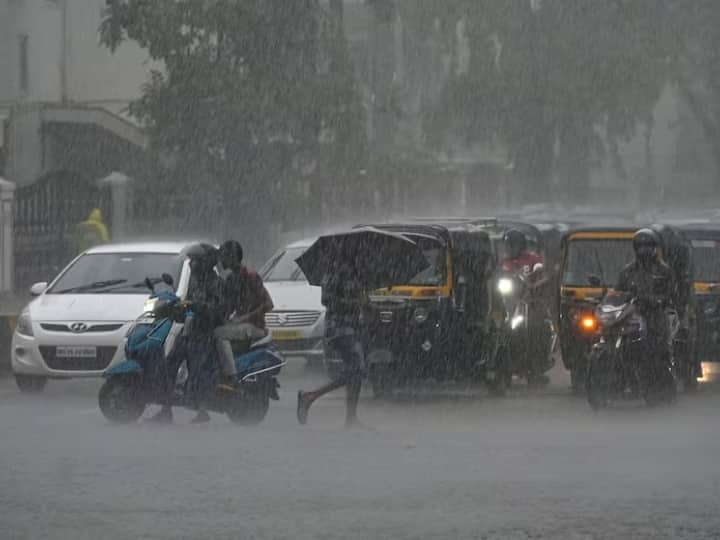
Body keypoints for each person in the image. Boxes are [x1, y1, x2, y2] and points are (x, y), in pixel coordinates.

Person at [147, 243, 225, 424]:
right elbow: (187, 307)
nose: (191, 265)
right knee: (169, 366)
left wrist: (196, 307)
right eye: (191, 261)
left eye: (195, 261)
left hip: (205, 334)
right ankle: (166, 410)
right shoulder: (195, 281)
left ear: (205, 263)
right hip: (189, 331)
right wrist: (172, 310)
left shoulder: (216, 283)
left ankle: (202, 411)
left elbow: (218, 311)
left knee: (198, 371)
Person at [296, 259, 365, 428]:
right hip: (339, 329)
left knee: (355, 372)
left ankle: (350, 418)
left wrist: (363, 302)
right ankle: (310, 396)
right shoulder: (334, 273)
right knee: (357, 369)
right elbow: (327, 300)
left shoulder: (355, 271)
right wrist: (354, 303)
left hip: (351, 327)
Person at [615, 229, 675, 394]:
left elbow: (670, 294)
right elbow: (618, 292)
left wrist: (656, 300)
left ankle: (661, 383)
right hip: (632, 315)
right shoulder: (628, 271)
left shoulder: (664, 271)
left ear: (655, 248)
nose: (644, 250)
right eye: (640, 246)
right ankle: (621, 379)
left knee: (657, 349)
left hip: (655, 315)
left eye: (648, 246)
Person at [214, 240, 274, 385]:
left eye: (224, 256)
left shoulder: (251, 277)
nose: (221, 260)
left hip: (255, 326)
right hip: (239, 325)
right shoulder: (230, 279)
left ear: (234, 257)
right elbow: (228, 306)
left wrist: (245, 317)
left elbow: (268, 304)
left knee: (219, 335)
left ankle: (231, 375)